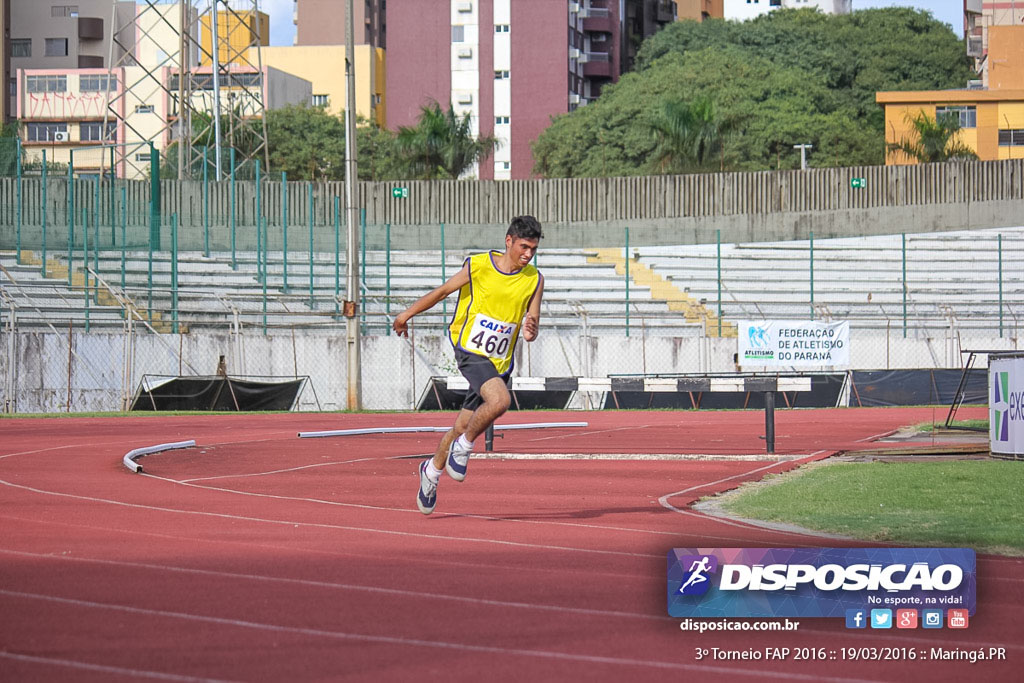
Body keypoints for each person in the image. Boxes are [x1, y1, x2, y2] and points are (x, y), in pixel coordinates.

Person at [393, 216, 545, 515]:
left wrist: (531, 329)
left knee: (463, 423)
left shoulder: (535, 279)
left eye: (534, 249)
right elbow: (442, 292)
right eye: (524, 247)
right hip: (470, 349)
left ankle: (431, 472)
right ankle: (464, 447)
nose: (528, 254)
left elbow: (533, 319)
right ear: (509, 241)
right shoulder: (479, 266)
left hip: (499, 360)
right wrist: (405, 315)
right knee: (500, 401)